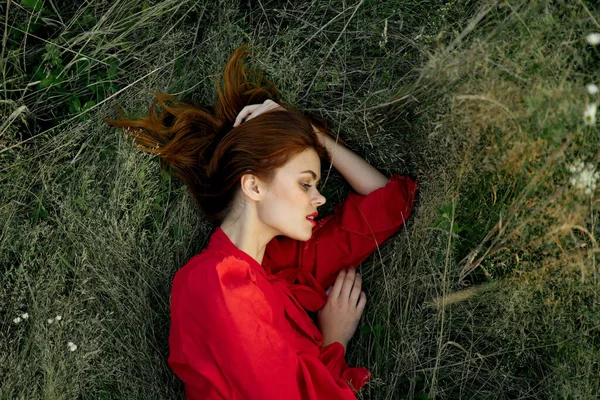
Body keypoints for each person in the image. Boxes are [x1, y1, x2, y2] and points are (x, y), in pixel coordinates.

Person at [104, 45, 418, 399]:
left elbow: (390, 204)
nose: (320, 198)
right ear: (253, 185)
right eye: (305, 183)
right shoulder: (215, 281)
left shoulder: (278, 266)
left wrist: (313, 134)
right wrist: (334, 342)